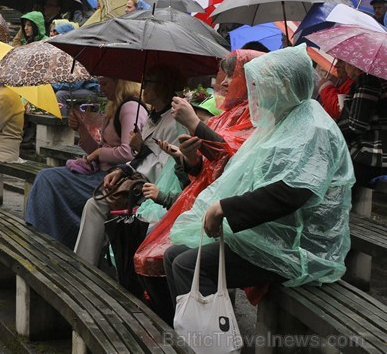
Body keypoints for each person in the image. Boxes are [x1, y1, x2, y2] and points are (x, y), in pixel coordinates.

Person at [164, 46, 354, 325]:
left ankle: (206, 343)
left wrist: (224, 208)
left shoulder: (314, 128)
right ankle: (192, 338)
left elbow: (294, 191)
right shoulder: (285, 121)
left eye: (263, 83)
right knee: (172, 254)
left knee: (187, 265)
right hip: (275, 232)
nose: (257, 91)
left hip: (297, 246)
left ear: (285, 84)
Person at [134, 50, 262, 323]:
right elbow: (205, 172)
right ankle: (178, 326)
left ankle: (195, 332)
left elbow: (233, 163)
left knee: (168, 257)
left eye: (233, 75)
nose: (225, 82)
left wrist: (193, 123)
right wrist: (189, 160)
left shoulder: (255, 117)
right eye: (224, 75)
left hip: (230, 217)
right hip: (203, 207)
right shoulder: (226, 115)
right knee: (152, 255)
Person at [72, 67, 183, 263]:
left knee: (96, 204)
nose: (144, 88)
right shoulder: (152, 117)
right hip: (136, 179)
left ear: (163, 87)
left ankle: (85, 267)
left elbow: (165, 172)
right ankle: (83, 266)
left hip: (152, 191)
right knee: (95, 202)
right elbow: (139, 158)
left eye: (148, 83)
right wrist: (123, 169)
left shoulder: (173, 123)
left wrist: (142, 149)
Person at [26, 77, 144, 248]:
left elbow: (129, 152)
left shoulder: (131, 108)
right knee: (46, 177)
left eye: (105, 83)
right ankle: (44, 236)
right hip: (100, 173)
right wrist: (81, 129)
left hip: (112, 181)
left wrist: (98, 152)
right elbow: (98, 152)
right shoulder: (116, 107)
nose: (100, 89)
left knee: (48, 179)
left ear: (121, 83)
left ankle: (46, 239)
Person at [338, 61, 386, 185]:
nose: (340, 65)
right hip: (379, 159)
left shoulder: (368, 80)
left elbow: (356, 126)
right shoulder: (381, 80)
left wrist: (333, 131)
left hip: (366, 156)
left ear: (354, 64)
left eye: (343, 62)